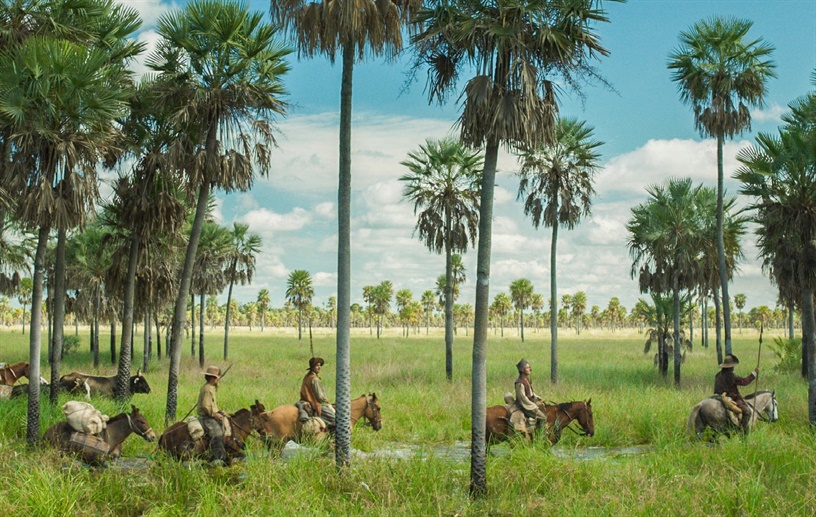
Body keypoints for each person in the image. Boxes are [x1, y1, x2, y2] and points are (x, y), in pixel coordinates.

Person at [714, 354, 759, 432]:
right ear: (731, 367)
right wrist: (754, 373)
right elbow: (744, 382)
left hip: (716, 396)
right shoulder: (731, 376)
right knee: (747, 412)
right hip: (729, 397)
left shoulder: (717, 375)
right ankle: (742, 430)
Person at [197, 365, 227, 465]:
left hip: (211, 415)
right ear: (212, 378)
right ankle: (217, 458)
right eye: (217, 378)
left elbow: (212, 406)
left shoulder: (211, 388)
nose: (218, 380)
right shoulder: (208, 389)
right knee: (217, 433)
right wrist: (215, 415)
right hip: (207, 418)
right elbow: (206, 406)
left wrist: (219, 412)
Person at [510, 358, 547, 434]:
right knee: (542, 417)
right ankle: (540, 435)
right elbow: (522, 398)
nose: (530, 369)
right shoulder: (520, 382)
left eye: (529, 367)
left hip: (529, 403)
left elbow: (530, 393)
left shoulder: (526, 379)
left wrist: (537, 398)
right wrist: (533, 406)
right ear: (522, 370)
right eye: (527, 367)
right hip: (524, 406)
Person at [300, 357, 335, 428]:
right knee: (335, 419)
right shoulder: (315, 379)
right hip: (313, 403)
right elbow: (320, 397)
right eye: (317, 365)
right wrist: (326, 400)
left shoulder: (307, 376)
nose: (319, 367)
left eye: (320, 365)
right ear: (312, 367)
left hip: (304, 400)